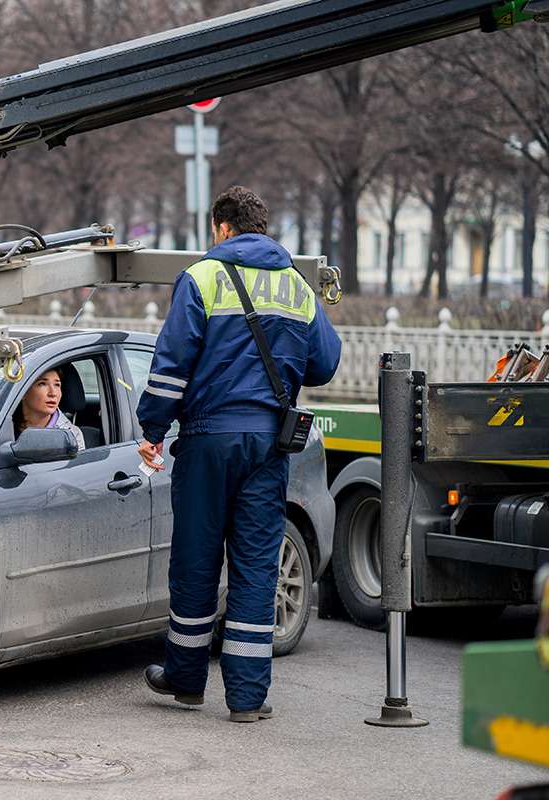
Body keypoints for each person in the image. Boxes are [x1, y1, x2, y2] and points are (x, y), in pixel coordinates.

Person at [136, 186, 341, 723]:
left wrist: (153, 427)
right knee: (255, 564)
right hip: (270, 444)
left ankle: (185, 681)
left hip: (207, 438)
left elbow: (171, 362)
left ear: (222, 228)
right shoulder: (296, 285)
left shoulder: (203, 277)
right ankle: (248, 698)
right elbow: (324, 364)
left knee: (197, 558)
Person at [14, 367, 85, 451]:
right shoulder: (2, 425)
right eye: (42, 384)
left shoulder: (71, 435)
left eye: (57, 385)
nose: (53, 393)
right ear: (22, 391)